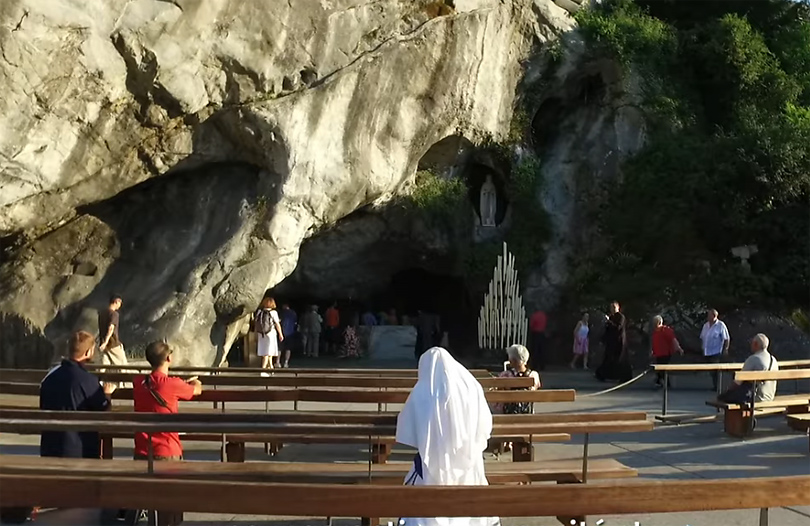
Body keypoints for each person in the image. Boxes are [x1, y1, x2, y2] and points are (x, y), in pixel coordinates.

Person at [395, 347, 501, 526]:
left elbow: (407, 427)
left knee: (426, 492)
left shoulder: (422, 391)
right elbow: (485, 424)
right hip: (469, 456)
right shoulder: (471, 386)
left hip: (433, 459)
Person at [132, 341, 202, 526]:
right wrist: (196, 381)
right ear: (169, 358)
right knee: (172, 499)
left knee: (147, 492)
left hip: (142, 449)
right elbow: (196, 391)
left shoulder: (138, 383)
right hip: (167, 449)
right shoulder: (173, 384)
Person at [40, 331, 115, 459]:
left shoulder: (49, 377)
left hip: (50, 447)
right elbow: (103, 410)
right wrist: (107, 395)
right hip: (80, 449)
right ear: (88, 352)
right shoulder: (88, 380)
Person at [718, 333, 779, 404]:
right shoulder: (774, 360)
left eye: (752, 343)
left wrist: (727, 392)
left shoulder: (753, 359)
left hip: (755, 398)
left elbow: (737, 382)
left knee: (722, 398)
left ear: (756, 344)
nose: (751, 345)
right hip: (770, 397)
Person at [595, 301, 631, 383]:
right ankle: (602, 375)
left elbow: (618, 328)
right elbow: (608, 330)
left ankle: (624, 377)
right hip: (611, 342)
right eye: (611, 308)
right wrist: (603, 339)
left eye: (614, 307)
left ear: (618, 308)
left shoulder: (621, 317)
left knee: (619, 360)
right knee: (608, 359)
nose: (612, 309)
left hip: (619, 342)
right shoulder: (611, 317)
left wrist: (609, 322)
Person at [97, 294, 127, 383]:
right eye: (120, 303)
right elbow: (111, 328)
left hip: (103, 344)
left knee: (104, 366)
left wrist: (103, 343)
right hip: (113, 344)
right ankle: (122, 385)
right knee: (122, 365)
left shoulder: (102, 313)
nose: (120, 305)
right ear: (116, 301)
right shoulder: (114, 314)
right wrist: (106, 342)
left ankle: (98, 383)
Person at [700, 309, 730, 391]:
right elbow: (702, 337)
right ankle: (715, 385)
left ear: (714, 316)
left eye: (709, 315)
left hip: (716, 351)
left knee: (715, 370)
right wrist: (702, 347)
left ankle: (718, 387)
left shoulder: (720, 325)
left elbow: (726, 338)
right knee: (711, 370)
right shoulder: (706, 325)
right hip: (707, 351)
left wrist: (726, 349)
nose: (707, 317)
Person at [650, 315, 684, 388]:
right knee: (660, 368)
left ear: (659, 322)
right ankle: (661, 381)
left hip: (665, 353)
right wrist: (652, 351)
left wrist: (679, 348)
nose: (654, 324)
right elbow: (654, 342)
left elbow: (673, 340)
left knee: (662, 368)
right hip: (658, 354)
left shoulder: (666, 330)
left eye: (655, 322)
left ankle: (663, 382)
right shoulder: (655, 332)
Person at [254, 297, 283, 375]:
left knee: (267, 352)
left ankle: (271, 368)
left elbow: (256, 323)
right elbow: (277, 324)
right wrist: (280, 334)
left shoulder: (259, 312)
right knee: (267, 353)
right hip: (271, 334)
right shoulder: (273, 313)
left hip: (261, 334)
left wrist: (255, 333)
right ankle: (263, 370)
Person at [279, 303, 298, 368]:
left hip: (281, 332)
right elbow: (295, 322)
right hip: (290, 332)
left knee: (279, 348)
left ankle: (277, 362)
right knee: (288, 348)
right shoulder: (293, 313)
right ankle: (286, 362)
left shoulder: (281, 313)